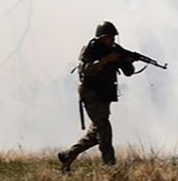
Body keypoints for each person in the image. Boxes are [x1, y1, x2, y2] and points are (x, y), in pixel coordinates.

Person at [58, 21, 135, 172]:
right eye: (109, 37)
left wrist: (127, 61)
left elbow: (128, 72)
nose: (112, 40)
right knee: (104, 129)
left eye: (113, 37)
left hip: (104, 95)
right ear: (101, 37)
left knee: (96, 134)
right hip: (91, 94)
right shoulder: (91, 49)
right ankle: (110, 166)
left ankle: (68, 155)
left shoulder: (115, 50)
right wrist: (106, 60)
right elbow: (86, 69)